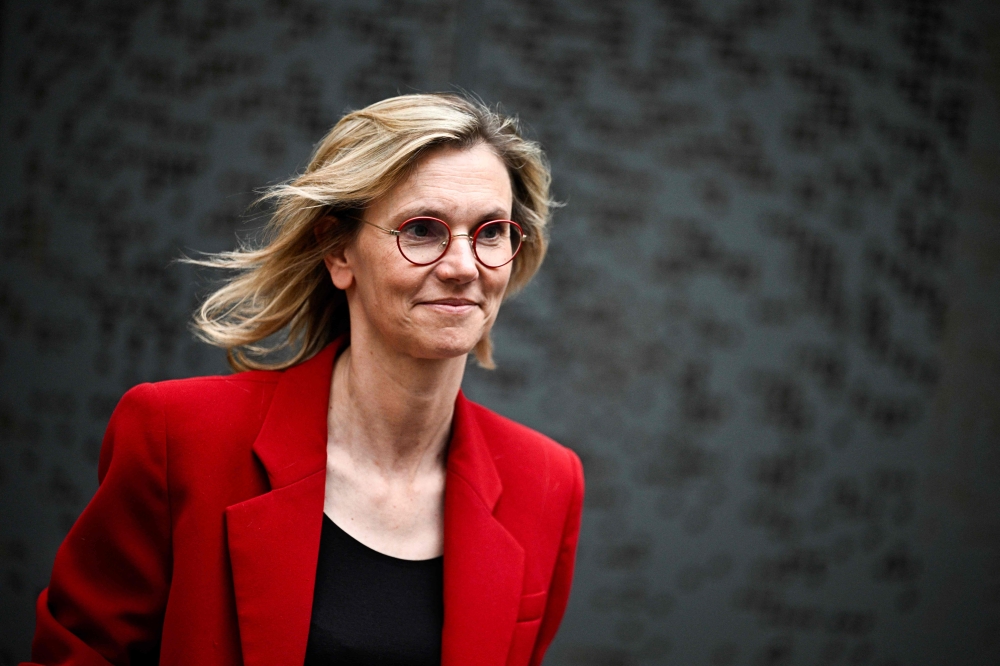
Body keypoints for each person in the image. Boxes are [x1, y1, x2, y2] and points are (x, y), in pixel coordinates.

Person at [26, 93, 584, 666]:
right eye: (421, 229)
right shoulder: (179, 436)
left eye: (491, 231)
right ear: (337, 251)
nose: (464, 266)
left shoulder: (546, 482)